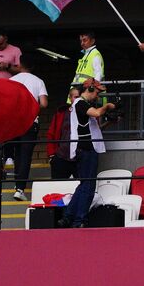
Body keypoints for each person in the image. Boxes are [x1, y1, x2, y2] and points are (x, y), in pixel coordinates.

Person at [60, 79, 113, 229]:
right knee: (88, 186)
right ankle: (79, 220)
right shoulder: (80, 103)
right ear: (89, 89)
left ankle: (68, 216)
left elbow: (94, 129)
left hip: (87, 148)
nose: (97, 96)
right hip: (86, 149)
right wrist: (108, 106)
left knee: (84, 184)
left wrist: (111, 121)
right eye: (96, 92)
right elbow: (97, 112)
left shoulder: (82, 105)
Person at [7, 60, 49, 201]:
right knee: (25, 155)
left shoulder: (11, 80)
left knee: (17, 154)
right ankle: (20, 189)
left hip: (13, 122)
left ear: (20, 65)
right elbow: (44, 103)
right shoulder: (38, 81)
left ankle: (14, 178)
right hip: (30, 122)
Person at [69, 31, 104, 103]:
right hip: (80, 94)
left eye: (85, 40)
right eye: (81, 41)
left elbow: (98, 74)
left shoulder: (95, 54)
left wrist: (92, 90)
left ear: (92, 41)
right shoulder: (86, 55)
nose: (82, 43)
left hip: (88, 96)